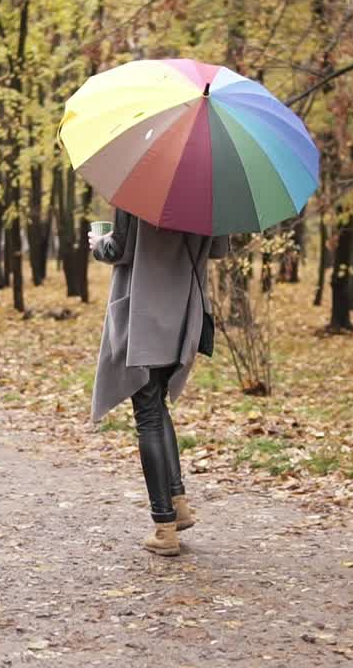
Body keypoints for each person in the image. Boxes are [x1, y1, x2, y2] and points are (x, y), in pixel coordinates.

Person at [89, 208, 229, 556]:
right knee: (158, 405)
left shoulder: (138, 190)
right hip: (183, 313)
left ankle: (164, 528)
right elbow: (218, 249)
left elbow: (119, 249)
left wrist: (97, 244)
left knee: (148, 414)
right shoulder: (209, 191)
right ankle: (178, 504)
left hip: (146, 313)